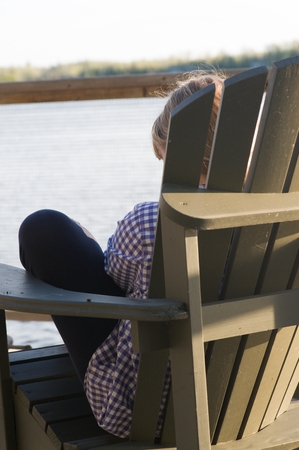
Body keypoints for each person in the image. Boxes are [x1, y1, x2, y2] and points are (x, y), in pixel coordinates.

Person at [18, 70, 225, 439]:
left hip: (146, 410)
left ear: (179, 152)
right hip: (246, 397)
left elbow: (112, 278)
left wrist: (88, 243)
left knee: (43, 230)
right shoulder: (283, 222)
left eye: (165, 160)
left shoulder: (150, 222)